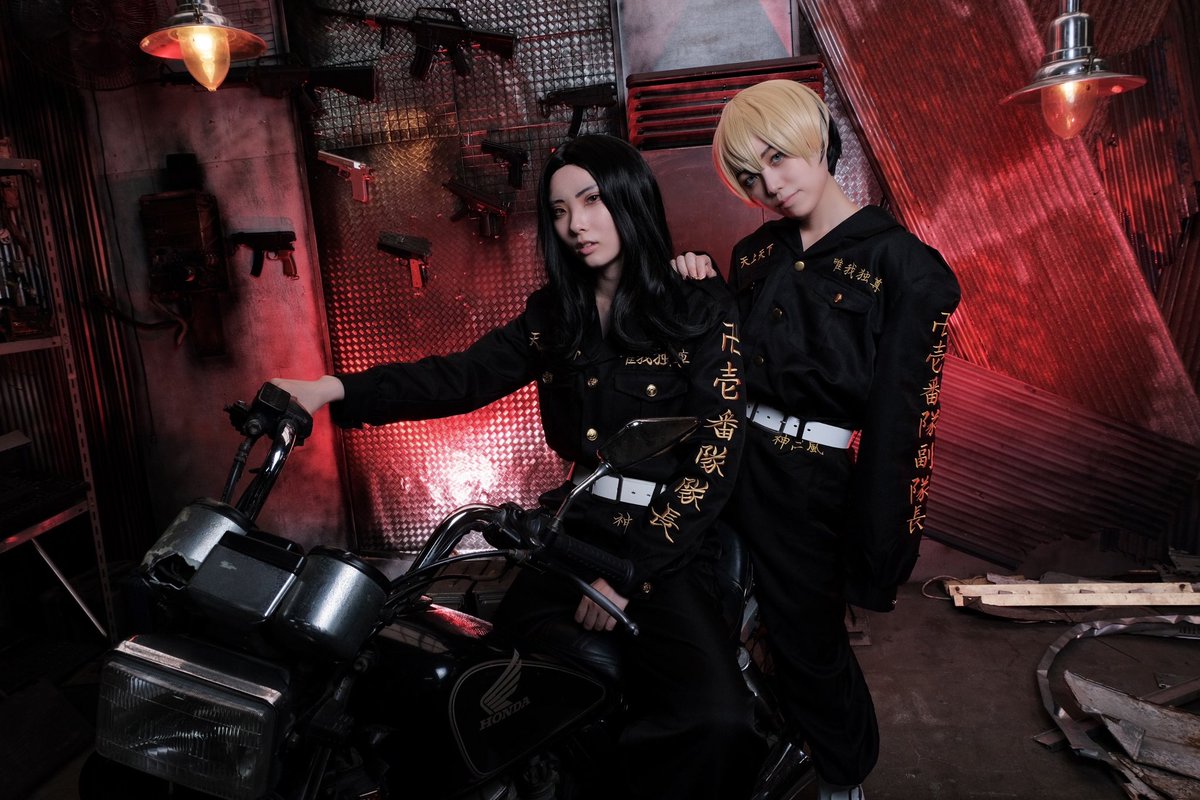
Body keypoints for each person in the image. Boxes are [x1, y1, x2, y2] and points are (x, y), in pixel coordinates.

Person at [270, 134, 762, 800]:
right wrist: (331, 389)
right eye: (559, 211)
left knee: (718, 722)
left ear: (630, 199)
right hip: (574, 534)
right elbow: (461, 377)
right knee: (482, 699)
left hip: (664, 545)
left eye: (591, 201)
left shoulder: (698, 306)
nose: (576, 224)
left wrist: (628, 576)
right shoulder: (553, 316)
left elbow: (714, 458)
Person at [672, 80, 961, 800]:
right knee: (698, 614)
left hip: (809, 484)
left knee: (809, 645)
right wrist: (699, 280)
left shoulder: (905, 266)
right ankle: (745, 747)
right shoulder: (754, 254)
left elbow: (903, 425)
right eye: (750, 176)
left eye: (778, 157)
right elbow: (727, 361)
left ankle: (842, 778)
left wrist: (882, 547)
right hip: (731, 458)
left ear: (816, 138)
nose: (770, 185)